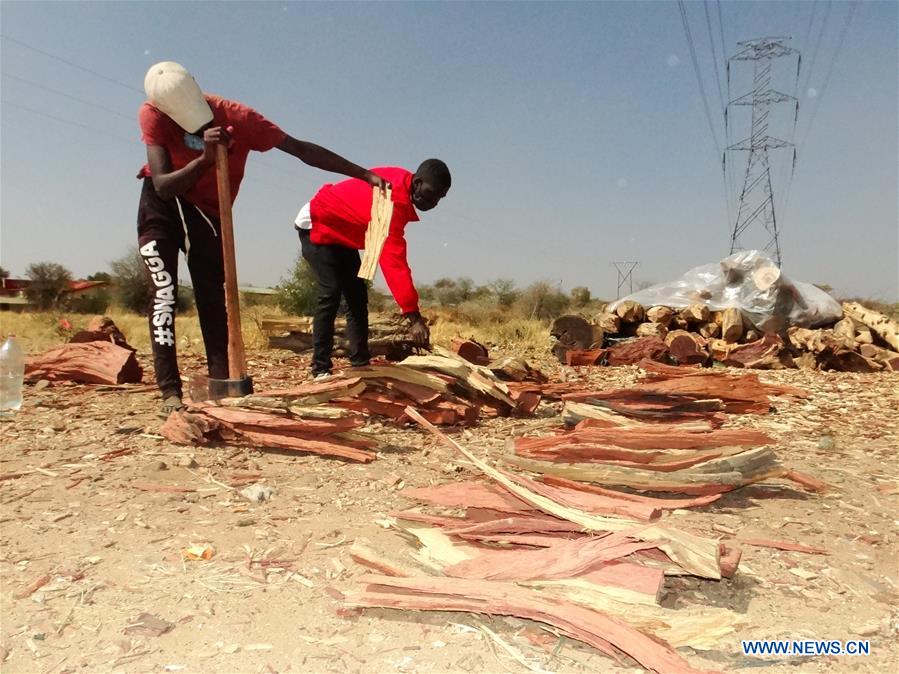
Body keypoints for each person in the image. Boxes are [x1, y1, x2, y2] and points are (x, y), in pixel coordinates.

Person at [136, 61, 388, 415]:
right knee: (163, 294)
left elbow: (302, 150)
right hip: (161, 206)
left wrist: (363, 174)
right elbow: (163, 185)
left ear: (197, 84)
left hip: (208, 214)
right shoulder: (153, 113)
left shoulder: (239, 118)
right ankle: (170, 393)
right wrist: (206, 160)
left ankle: (221, 383)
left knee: (212, 299)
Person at [295, 159, 451, 378]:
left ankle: (360, 363)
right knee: (330, 293)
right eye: (432, 192)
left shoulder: (402, 191)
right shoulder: (390, 199)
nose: (434, 201)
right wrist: (413, 317)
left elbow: (376, 240)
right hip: (318, 222)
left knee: (357, 296)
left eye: (440, 197)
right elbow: (394, 262)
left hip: (345, 235)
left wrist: (365, 272)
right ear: (417, 183)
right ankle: (320, 369)